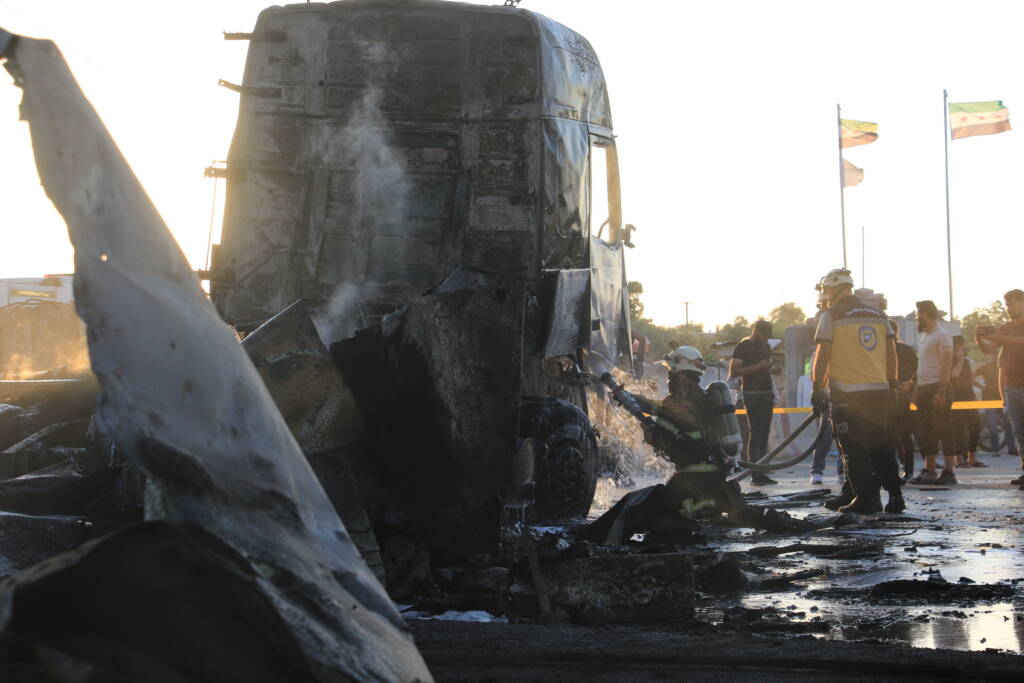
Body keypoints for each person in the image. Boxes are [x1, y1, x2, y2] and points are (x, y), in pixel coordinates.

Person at [810, 268, 904, 513]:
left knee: (853, 448)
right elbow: (892, 354)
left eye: (827, 290)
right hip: (879, 391)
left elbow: (823, 354)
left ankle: (866, 499)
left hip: (847, 393)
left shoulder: (831, 316)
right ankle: (895, 496)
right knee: (881, 445)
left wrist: (818, 387)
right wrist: (892, 384)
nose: (826, 294)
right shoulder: (879, 315)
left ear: (834, 289)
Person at [976, 288, 1024, 487]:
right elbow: (989, 350)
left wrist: (997, 338)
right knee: (1020, 434)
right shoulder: (1005, 328)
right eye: (1006, 304)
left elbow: (1020, 342)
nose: (1008, 308)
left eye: (1011, 304)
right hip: (1012, 387)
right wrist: (980, 338)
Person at [908, 300, 956, 486]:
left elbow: (946, 365)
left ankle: (949, 472)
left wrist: (941, 391)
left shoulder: (942, 335)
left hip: (937, 388)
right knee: (926, 431)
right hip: (924, 388)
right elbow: (924, 365)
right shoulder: (926, 336)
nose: (916, 319)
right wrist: (914, 385)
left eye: (918, 315)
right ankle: (929, 471)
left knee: (944, 429)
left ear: (926, 314)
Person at [729, 320, 777, 486]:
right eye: (765, 336)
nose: (766, 340)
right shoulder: (744, 346)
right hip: (752, 394)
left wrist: (771, 369)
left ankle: (762, 471)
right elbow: (734, 371)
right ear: (756, 332)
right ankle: (755, 473)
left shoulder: (766, 347)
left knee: (764, 433)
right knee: (756, 432)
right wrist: (758, 367)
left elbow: (764, 368)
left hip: (766, 393)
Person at [808, 292, 840, 486]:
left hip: (840, 395)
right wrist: (818, 392)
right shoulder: (817, 354)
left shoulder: (840, 349)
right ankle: (817, 471)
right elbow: (817, 372)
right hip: (826, 398)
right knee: (824, 437)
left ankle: (843, 472)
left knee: (842, 438)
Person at [950, 335, 984, 468]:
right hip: (956, 398)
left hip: (969, 398)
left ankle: (972, 458)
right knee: (958, 430)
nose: (962, 348)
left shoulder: (967, 362)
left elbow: (969, 379)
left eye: (962, 346)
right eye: (958, 346)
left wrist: (980, 387)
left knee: (975, 427)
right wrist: (959, 359)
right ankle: (958, 459)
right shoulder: (951, 361)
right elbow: (954, 375)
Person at [891, 320, 919, 479]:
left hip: (903, 399)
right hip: (887, 399)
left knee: (905, 435)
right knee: (891, 436)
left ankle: (908, 469)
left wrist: (909, 383)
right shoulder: (879, 351)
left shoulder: (906, 350)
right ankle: (897, 467)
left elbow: (917, 370)